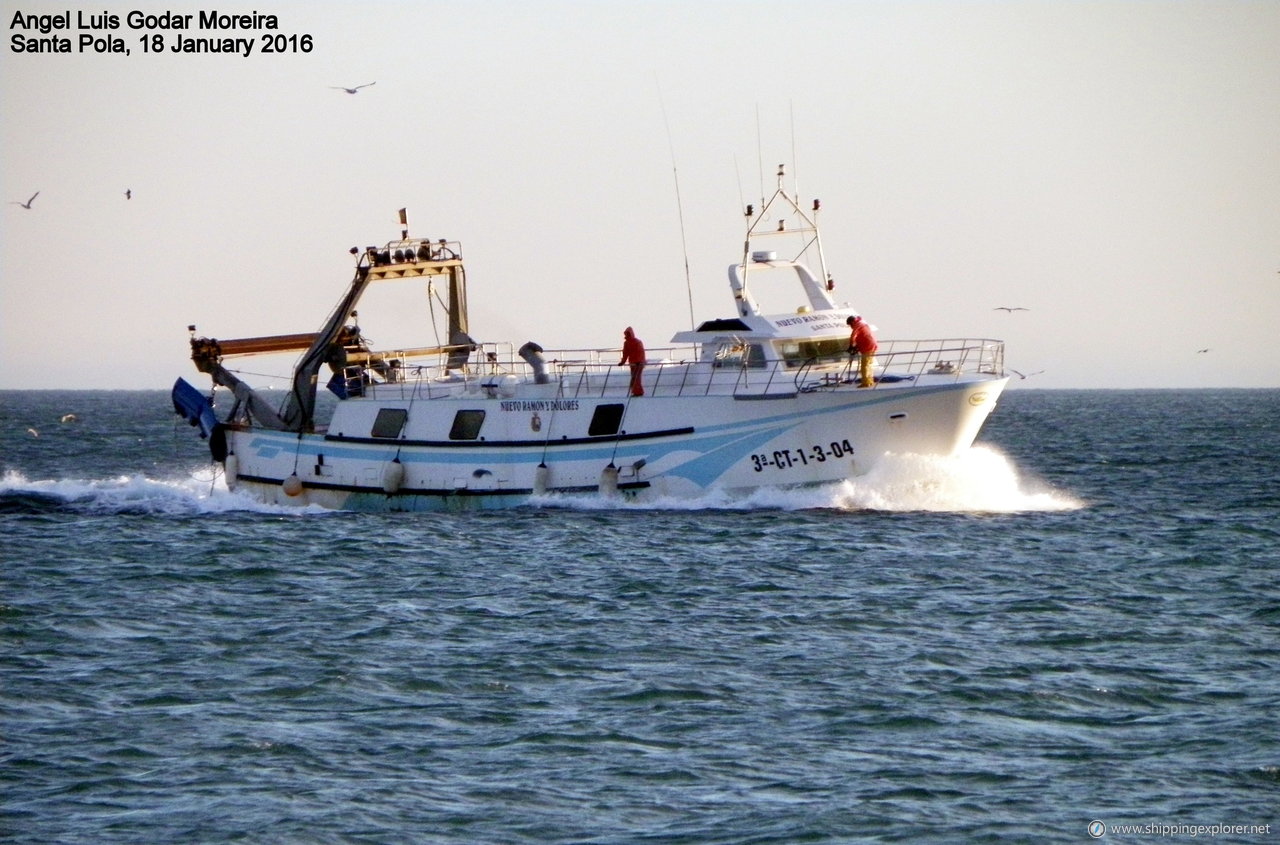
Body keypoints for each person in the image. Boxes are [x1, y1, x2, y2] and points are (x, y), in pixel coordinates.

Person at [846, 315, 878, 388]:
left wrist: (851, 346)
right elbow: (862, 336)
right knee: (869, 365)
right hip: (871, 346)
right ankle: (870, 381)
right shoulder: (863, 324)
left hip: (868, 347)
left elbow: (853, 335)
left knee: (864, 366)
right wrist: (857, 346)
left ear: (853, 322)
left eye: (850, 324)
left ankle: (866, 383)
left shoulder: (858, 325)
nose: (851, 327)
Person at [619, 326, 646, 396]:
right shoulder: (636, 342)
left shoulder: (635, 342)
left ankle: (637, 391)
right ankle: (637, 391)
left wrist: (623, 362)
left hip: (637, 363)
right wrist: (622, 362)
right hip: (635, 363)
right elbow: (625, 353)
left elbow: (639, 352)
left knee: (635, 378)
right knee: (635, 377)